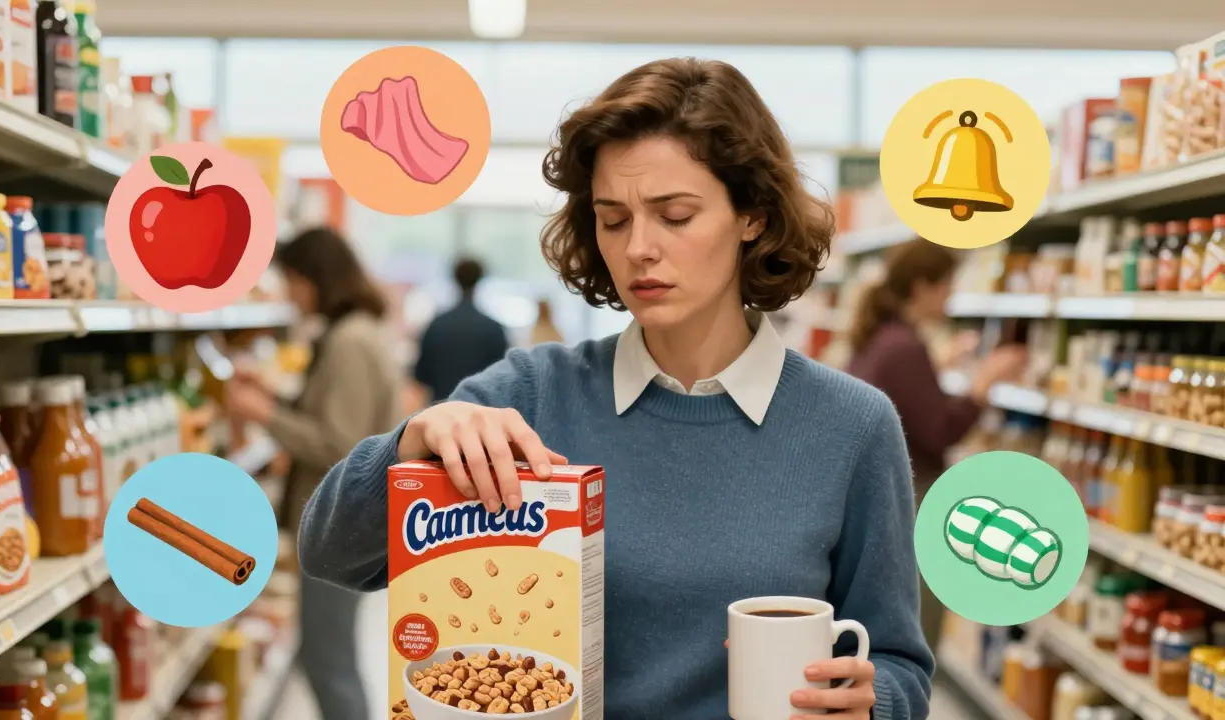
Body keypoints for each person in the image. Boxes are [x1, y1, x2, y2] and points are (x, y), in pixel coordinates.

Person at [299, 59, 931, 719]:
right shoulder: (532, 395)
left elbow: (898, 664)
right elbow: (328, 551)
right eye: (614, 219)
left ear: (753, 216)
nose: (638, 249)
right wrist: (412, 442)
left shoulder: (851, 427)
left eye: (675, 215)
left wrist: (871, 702)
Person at [223, 227, 401, 720]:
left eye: (294, 281)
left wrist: (264, 415)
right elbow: (334, 421)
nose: (290, 294)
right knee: (323, 652)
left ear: (316, 278)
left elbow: (340, 445)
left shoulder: (349, 341)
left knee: (330, 662)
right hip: (351, 521)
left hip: (345, 523)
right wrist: (276, 398)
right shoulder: (357, 332)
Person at [845, 237, 1027, 651]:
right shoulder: (904, 346)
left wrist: (938, 366)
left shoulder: (886, 337)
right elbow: (940, 430)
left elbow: (901, 402)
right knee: (917, 626)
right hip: (915, 494)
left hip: (885, 493)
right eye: (948, 285)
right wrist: (984, 384)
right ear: (923, 286)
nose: (952, 296)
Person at [412, 257, 509, 402]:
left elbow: (421, 375)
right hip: (481, 412)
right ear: (480, 279)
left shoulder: (437, 325)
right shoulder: (493, 328)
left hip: (440, 411)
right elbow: (503, 377)